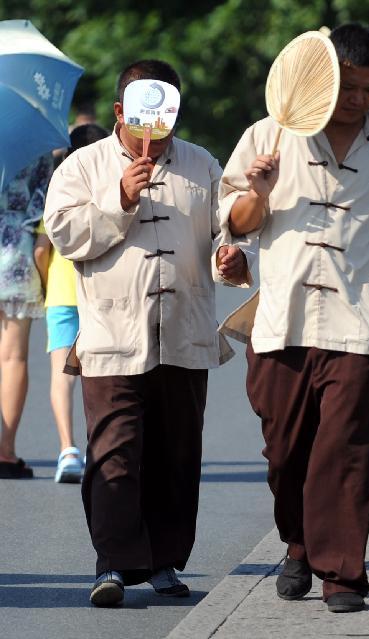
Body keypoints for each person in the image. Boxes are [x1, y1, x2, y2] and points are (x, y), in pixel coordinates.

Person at [219, 23, 369, 614]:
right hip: (281, 320)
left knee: (348, 451)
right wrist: (259, 191)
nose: (357, 101)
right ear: (325, 80)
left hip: (357, 323)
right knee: (285, 452)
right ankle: (298, 544)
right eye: (348, 88)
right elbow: (232, 222)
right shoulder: (269, 134)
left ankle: (343, 575)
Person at [44, 59, 249, 607]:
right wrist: (120, 198)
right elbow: (66, 236)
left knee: (177, 452)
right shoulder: (83, 167)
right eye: (144, 122)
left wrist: (232, 258)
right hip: (113, 334)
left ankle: (164, 562)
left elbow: (227, 228)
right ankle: (113, 563)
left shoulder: (202, 164)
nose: (155, 135)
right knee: (113, 453)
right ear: (120, 112)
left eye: (167, 122)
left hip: (184, 330)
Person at [35, 123, 109, 484]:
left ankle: (68, 449)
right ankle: (105, 448)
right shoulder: (111, 189)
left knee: (61, 376)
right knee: (103, 375)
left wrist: (47, 284)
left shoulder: (58, 189)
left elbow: (41, 248)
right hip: (101, 293)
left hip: (62, 295)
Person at [0, 154, 52, 480]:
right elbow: (43, 205)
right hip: (16, 251)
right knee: (13, 358)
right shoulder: (37, 143)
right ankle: (5, 452)